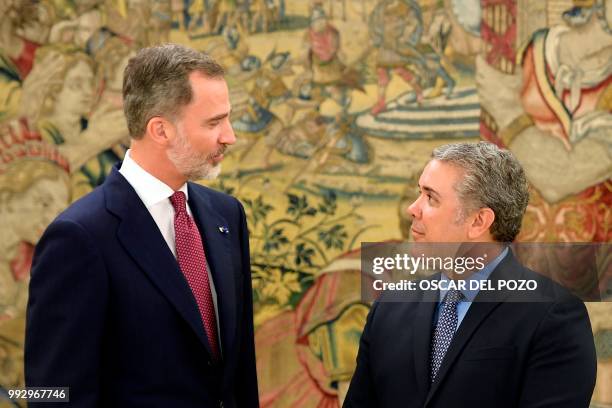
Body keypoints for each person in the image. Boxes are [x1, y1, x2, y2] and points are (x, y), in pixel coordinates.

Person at [25, 43, 259, 407]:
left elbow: (239, 370)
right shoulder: (79, 238)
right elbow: (52, 396)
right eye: (214, 122)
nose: (230, 136)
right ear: (160, 130)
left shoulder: (226, 215)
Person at [344, 142, 597, 407]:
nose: (412, 208)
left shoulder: (553, 317)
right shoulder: (389, 307)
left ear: (478, 222)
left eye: (430, 198)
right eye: (420, 193)